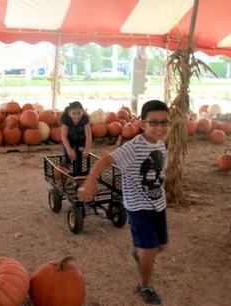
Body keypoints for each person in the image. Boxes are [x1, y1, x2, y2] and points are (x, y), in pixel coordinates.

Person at [78, 100, 170, 305]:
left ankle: (140, 251)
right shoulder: (134, 147)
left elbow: (161, 170)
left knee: (162, 246)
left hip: (158, 204)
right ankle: (144, 285)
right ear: (142, 123)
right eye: (153, 122)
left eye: (164, 122)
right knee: (151, 249)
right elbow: (105, 160)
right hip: (138, 207)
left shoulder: (161, 143)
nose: (160, 127)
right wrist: (90, 182)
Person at [61, 101, 92, 176]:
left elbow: (88, 135)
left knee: (79, 157)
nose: (77, 116)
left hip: (81, 139)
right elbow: (64, 136)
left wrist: (87, 149)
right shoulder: (66, 119)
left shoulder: (85, 119)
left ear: (82, 111)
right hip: (69, 139)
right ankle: (64, 175)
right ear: (69, 113)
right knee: (67, 157)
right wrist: (69, 150)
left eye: (79, 113)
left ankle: (78, 176)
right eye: (74, 114)